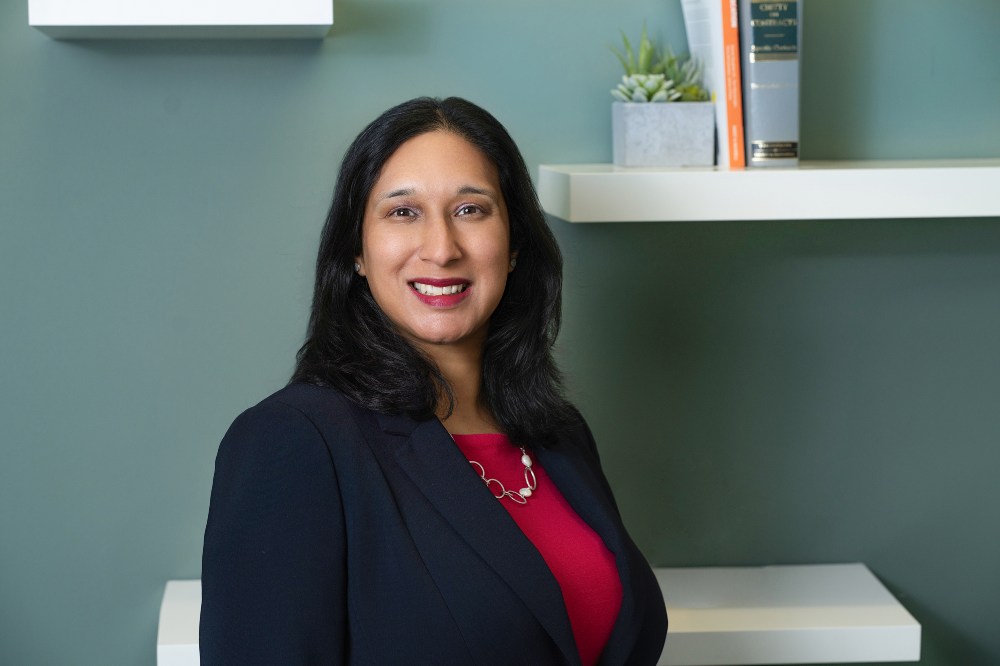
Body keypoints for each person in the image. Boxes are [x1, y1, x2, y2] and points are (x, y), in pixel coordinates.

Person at [200, 96, 667, 665]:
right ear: (357, 253)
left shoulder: (559, 433)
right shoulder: (293, 443)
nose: (442, 249)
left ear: (515, 244)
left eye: (471, 209)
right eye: (403, 212)